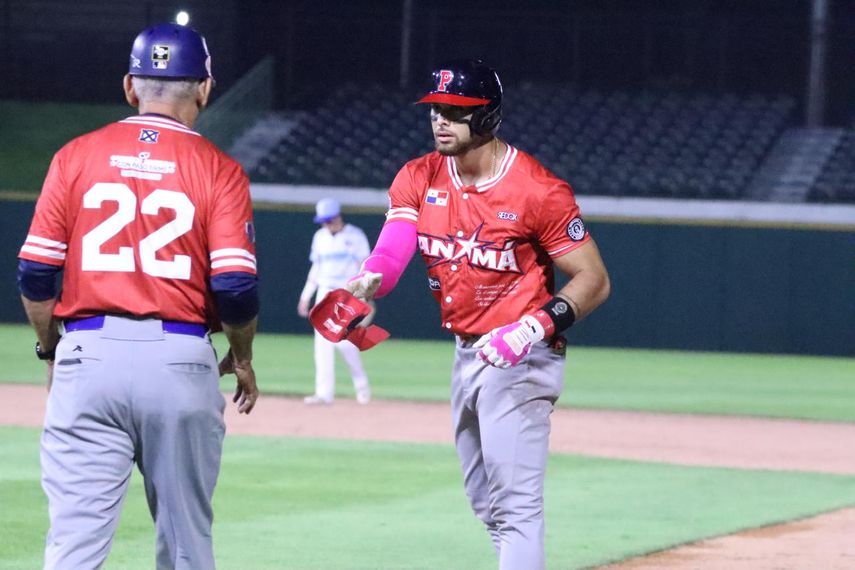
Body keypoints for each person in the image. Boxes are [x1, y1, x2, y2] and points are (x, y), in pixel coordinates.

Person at [345, 59, 610, 569]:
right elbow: (393, 248)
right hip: (466, 352)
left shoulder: (537, 190)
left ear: (487, 115)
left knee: (516, 509)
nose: (440, 120)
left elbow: (594, 280)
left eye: (455, 111)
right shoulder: (418, 175)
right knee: (487, 503)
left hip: (522, 356)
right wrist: (370, 278)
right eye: (435, 109)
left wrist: (532, 328)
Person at [17, 23, 259, 570]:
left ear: (130, 86)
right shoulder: (219, 170)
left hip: (88, 356)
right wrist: (242, 357)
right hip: (179, 360)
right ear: (205, 89)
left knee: (73, 547)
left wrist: (51, 349)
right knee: (186, 545)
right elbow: (235, 285)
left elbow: (36, 271)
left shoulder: (75, 156)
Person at [298, 197, 372, 404]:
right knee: (322, 345)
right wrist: (305, 296)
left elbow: (365, 267)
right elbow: (316, 268)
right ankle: (324, 394)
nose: (326, 224)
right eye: (323, 221)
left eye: (329, 220)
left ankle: (361, 385)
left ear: (338, 216)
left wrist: (364, 295)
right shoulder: (319, 237)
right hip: (324, 292)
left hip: (346, 293)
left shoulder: (355, 235)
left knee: (345, 344)